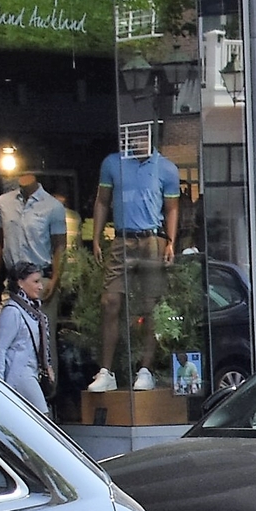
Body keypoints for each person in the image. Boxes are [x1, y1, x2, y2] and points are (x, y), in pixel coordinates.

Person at [86, 137, 180, 384]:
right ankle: (106, 370)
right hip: (122, 238)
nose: (139, 140)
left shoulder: (166, 167)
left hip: (152, 238)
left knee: (151, 306)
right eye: (135, 135)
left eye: (144, 135)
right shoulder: (113, 163)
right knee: (110, 301)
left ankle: (145, 369)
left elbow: (171, 207)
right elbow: (103, 200)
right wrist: (96, 238)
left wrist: (171, 241)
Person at [0, 158, 67, 300]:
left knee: (41, 320)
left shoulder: (53, 206)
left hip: (40, 276)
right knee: (8, 319)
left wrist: (55, 278)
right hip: (13, 278)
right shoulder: (2, 202)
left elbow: (60, 245)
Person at [0, 263, 53, 414]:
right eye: (35, 282)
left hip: (29, 371)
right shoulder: (12, 311)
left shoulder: (31, 310)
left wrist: (46, 366)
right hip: (19, 373)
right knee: (42, 416)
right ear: (20, 283)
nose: (40, 287)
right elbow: (0, 347)